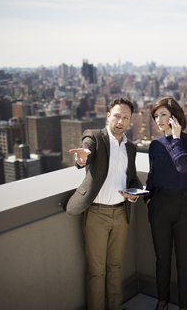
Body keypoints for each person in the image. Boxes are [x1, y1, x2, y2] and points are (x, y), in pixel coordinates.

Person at [65, 97, 142, 310]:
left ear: (130, 121)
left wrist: (134, 193)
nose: (121, 121)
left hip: (121, 214)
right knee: (97, 270)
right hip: (97, 215)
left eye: (125, 117)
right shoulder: (95, 137)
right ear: (108, 116)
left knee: (115, 267)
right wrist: (82, 158)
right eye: (117, 116)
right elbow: (85, 151)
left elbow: (132, 178)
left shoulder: (131, 148)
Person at [144, 97, 187, 310]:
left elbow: (186, 170)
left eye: (163, 115)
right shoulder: (155, 145)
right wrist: (149, 198)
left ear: (175, 117)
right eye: (156, 116)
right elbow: (152, 175)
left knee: (184, 262)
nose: (158, 119)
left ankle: (183, 306)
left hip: (184, 206)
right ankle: (162, 302)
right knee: (162, 261)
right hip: (159, 206)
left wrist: (176, 139)